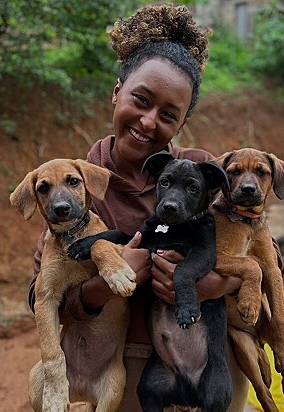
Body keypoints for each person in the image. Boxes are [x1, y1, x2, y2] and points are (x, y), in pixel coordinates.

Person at [29, 4, 249, 411]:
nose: (149, 122)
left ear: (181, 124)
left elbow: (257, 246)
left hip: (212, 357)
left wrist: (218, 285)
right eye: (141, 100)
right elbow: (40, 295)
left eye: (168, 114)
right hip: (128, 368)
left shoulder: (202, 171)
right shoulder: (74, 185)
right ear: (117, 92)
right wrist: (105, 280)